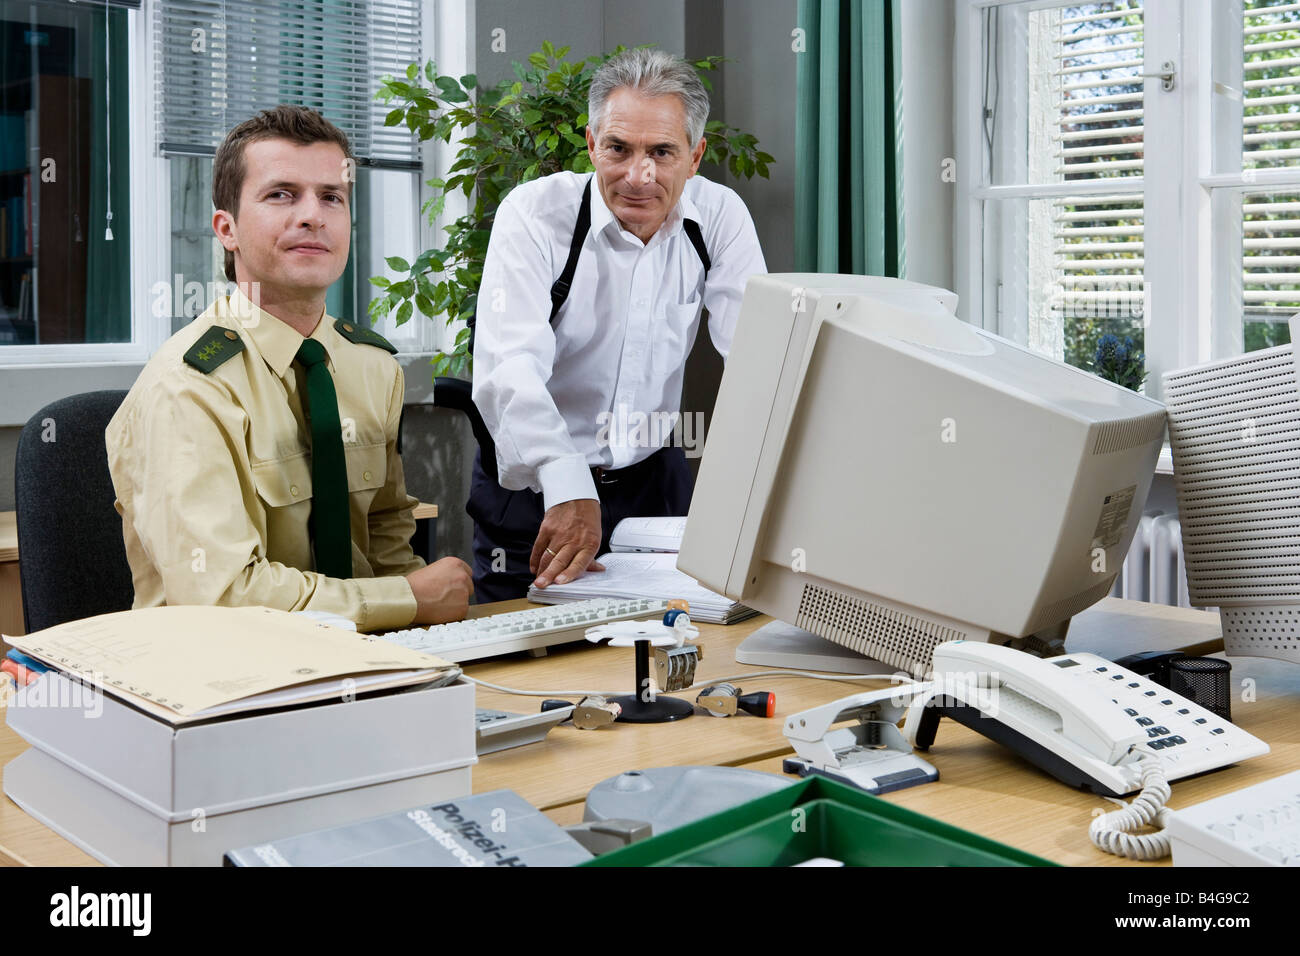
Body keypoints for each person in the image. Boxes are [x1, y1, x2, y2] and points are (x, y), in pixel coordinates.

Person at [107, 105, 471, 631]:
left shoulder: (371, 368)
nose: (312, 215)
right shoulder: (186, 386)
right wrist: (408, 599)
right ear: (226, 229)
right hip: (228, 683)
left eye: (332, 197)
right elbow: (223, 596)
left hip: (372, 665)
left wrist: (438, 634)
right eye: (281, 194)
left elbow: (387, 540)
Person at [470, 48, 767, 601]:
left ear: (696, 156)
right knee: (521, 659)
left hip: (654, 485)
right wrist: (565, 481)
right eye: (618, 149)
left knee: (672, 652)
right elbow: (509, 364)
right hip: (536, 486)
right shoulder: (534, 215)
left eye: (661, 151)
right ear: (590, 144)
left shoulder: (721, 218)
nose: (639, 176)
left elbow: (762, 359)